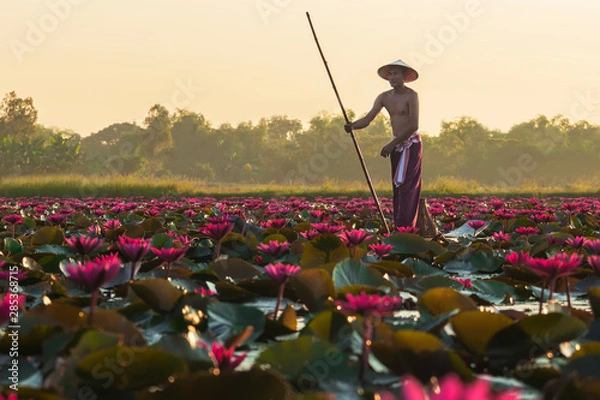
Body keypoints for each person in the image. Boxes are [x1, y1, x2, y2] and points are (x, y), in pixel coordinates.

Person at [344, 59, 422, 229]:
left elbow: (414, 125)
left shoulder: (411, 96)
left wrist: (392, 144)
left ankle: (406, 227)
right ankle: (398, 226)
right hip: (397, 145)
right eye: (390, 74)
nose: (392, 77)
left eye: (396, 74)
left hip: (411, 144)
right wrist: (353, 126)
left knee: (407, 186)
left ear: (404, 76)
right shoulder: (384, 97)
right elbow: (367, 119)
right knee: (397, 186)